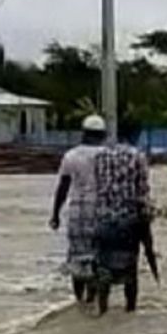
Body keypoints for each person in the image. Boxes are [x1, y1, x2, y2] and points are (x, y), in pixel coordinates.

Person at [50, 115, 108, 303]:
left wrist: (55, 215)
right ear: (103, 134)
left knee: (77, 255)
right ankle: (94, 296)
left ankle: (79, 300)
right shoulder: (108, 155)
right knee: (98, 254)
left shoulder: (71, 156)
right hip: (101, 211)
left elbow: (63, 187)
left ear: (83, 133)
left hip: (76, 212)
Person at [91, 136, 153, 314]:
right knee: (130, 270)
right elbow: (142, 193)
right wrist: (146, 223)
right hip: (128, 221)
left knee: (103, 267)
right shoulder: (137, 156)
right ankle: (130, 311)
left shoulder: (100, 157)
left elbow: (97, 186)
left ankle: (103, 310)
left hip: (103, 220)